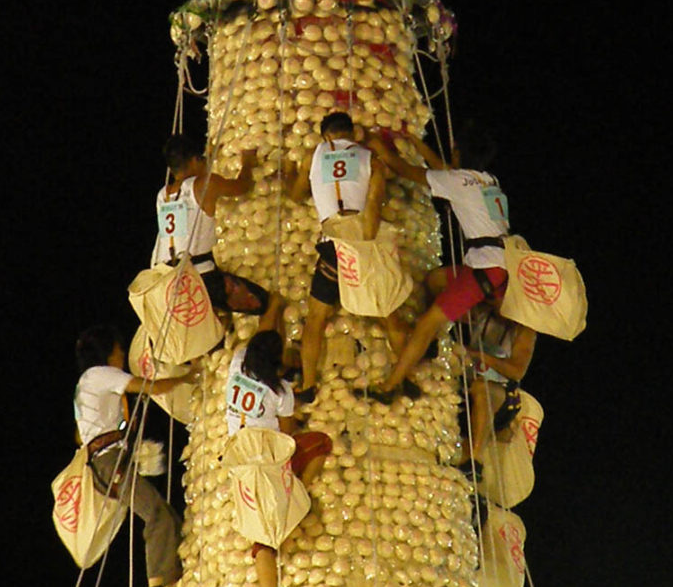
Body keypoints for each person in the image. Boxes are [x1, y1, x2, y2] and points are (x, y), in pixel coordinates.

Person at [363, 132, 513, 404]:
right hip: (494, 261)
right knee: (435, 280)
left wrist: (379, 150)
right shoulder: (487, 179)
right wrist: (415, 142)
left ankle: (391, 385)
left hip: (486, 268)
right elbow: (444, 172)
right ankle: (431, 337)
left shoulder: (459, 181)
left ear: (459, 154)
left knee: (427, 322)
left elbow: (406, 170)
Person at [285, 112, 409, 403]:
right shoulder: (370, 158)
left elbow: (295, 194)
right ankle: (404, 377)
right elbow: (375, 203)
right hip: (363, 241)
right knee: (388, 310)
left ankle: (308, 383)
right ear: (352, 133)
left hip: (332, 244)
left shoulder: (312, 157)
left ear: (326, 135)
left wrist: (291, 173)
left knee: (316, 317)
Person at [73, 325, 197, 587]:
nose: (121, 357)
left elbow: (79, 434)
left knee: (168, 517)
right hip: (109, 461)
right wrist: (187, 376)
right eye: (118, 351)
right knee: (156, 515)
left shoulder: (85, 384)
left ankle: (173, 579)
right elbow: (149, 387)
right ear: (106, 353)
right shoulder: (100, 375)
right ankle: (157, 584)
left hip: (104, 461)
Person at [224, 296, 332, 587]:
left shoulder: (236, 363)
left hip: (238, 455)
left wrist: (273, 309)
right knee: (321, 443)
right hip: (265, 464)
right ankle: (299, 491)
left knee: (263, 536)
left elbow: (260, 338)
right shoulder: (280, 392)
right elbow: (287, 438)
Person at [151, 133, 271, 315]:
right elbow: (243, 186)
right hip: (200, 278)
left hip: (167, 281)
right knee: (261, 302)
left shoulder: (163, 195)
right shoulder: (205, 184)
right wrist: (248, 162)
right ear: (194, 160)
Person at [455, 303, 536, 482]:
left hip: (502, 395)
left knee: (482, 389)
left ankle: (475, 461)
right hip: (468, 385)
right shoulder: (482, 311)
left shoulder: (524, 331)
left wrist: (483, 357)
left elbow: (517, 371)